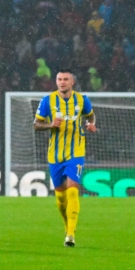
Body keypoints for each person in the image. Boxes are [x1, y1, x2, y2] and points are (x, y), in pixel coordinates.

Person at [34, 69, 97, 247]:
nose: (62, 82)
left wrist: (91, 124)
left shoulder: (82, 99)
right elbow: (36, 124)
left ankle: (70, 234)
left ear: (72, 82)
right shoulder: (48, 101)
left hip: (76, 151)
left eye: (65, 79)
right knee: (61, 198)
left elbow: (90, 115)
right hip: (55, 154)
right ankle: (67, 226)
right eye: (59, 79)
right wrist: (50, 124)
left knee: (72, 189)